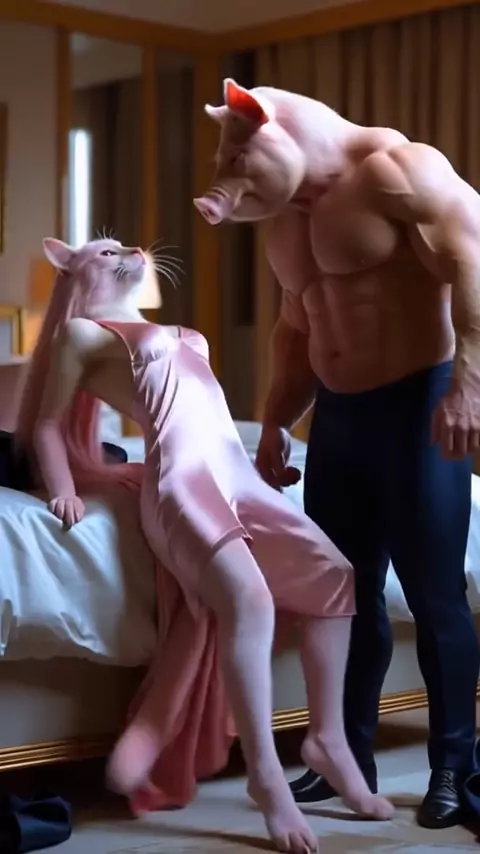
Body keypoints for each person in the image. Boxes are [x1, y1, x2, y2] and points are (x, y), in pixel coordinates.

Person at [16, 236, 394, 854]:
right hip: (180, 483)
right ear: (73, 269)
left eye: (124, 246)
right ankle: (266, 776)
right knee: (250, 600)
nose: (126, 250)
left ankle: (327, 738)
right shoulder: (82, 335)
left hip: (235, 473)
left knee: (336, 577)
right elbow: (50, 424)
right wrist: (63, 489)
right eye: (105, 252)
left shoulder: (182, 332)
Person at [195, 77, 480, 830]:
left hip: (419, 404)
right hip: (339, 417)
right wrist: (272, 420)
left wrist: (469, 386)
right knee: (344, 597)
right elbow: (298, 323)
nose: (229, 185)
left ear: (267, 122)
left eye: (238, 164)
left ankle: (454, 766)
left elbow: (474, 257)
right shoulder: (287, 218)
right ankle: (345, 756)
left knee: (435, 593)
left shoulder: (395, 169)